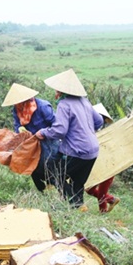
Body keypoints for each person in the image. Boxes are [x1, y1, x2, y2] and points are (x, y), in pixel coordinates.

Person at [36, 69, 104, 210]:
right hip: (92, 150)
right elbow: (99, 121)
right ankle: (79, 208)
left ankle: (76, 203)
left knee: (55, 174)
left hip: (77, 150)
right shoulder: (84, 101)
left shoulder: (64, 104)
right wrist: (86, 131)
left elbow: (60, 130)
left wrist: (43, 133)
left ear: (62, 90)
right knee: (77, 181)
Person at [1, 83, 59, 192]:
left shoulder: (43, 106)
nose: (18, 104)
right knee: (32, 166)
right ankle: (42, 190)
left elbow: (56, 125)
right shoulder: (17, 109)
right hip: (31, 143)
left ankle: (57, 189)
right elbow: (17, 124)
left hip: (49, 142)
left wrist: (44, 132)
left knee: (48, 166)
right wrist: (20, 129)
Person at [86, 103, 120, 213]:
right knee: (90, 190)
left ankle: (103, 212)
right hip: (98, 163)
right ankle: (112, 199)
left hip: (109, 165)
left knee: (101, 192)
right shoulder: (92, 131)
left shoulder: (106, 134)